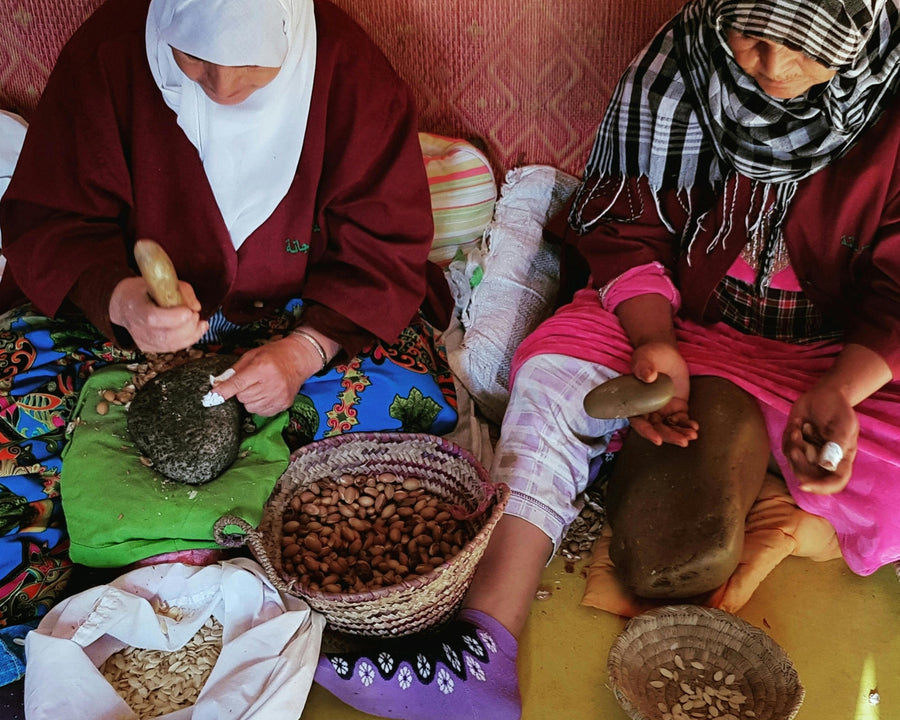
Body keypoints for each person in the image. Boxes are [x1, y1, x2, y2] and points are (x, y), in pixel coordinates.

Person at [314, 0, 900, 717]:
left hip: (830, 353)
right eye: (751, 37)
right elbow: (625, 226)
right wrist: (654, 340)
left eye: (806, 49)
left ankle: (787, 487)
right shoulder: (676, 65)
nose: (772, 69)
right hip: (681, 315)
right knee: (553, 375)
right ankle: (482, 645)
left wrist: (842, 390)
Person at [0, 0, 457, 635]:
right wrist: (121, 299)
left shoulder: (349, 71)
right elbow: (51, 220)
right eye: (193, 61)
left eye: (252, 66)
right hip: (121, 332)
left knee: (403, 413)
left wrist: (304, 351)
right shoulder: (109, 51)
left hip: (300, 316)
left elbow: (383, 248)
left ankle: (226, 571)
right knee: (14, 420)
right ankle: (52, 619)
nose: (223, 88)